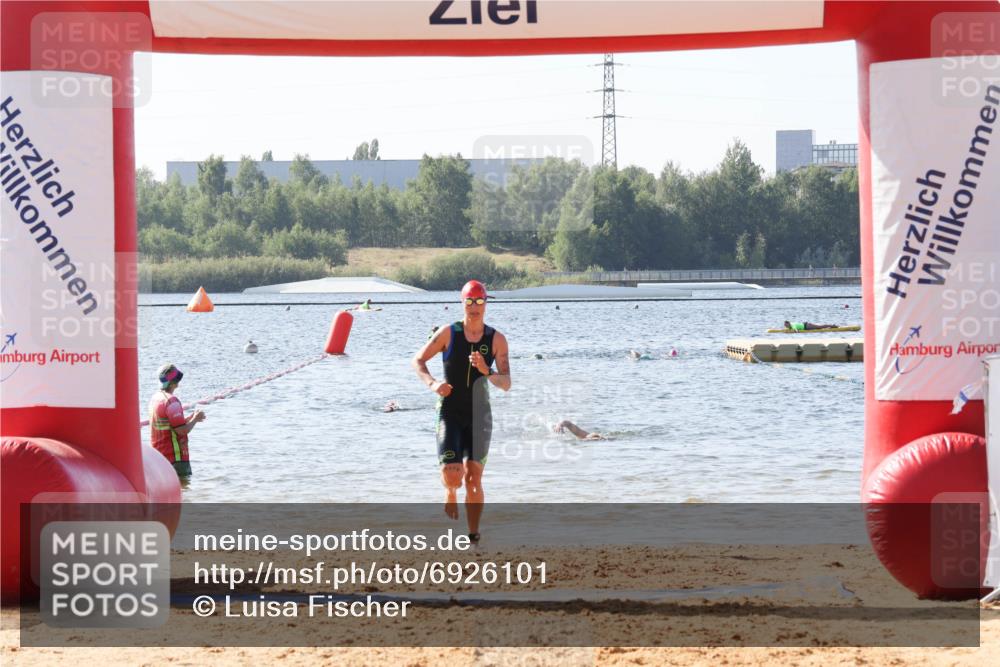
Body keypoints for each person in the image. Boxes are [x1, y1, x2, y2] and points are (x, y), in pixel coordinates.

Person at [412, 280, 511, 544]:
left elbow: (506, 384)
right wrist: (433, 384)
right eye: (470, 301)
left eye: (479, 301)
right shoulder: (449, 333)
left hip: (480, 416)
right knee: (453, 474)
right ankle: (450, 492)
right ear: (462, 302)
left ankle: (473, 534)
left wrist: (486, 370)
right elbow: (418, 360)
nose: (474, 307)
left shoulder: (496, 339)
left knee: (474, 478)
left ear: (486, 303)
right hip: (450, 413)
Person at [148, 363, 205, 481]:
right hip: (175, 459)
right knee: (182, 490)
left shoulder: (155, 398)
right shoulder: (171, 401)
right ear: (174, 382)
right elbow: (182, 431)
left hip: (159, 458)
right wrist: (195, 419)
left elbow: (168, 424)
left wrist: (189, 418)